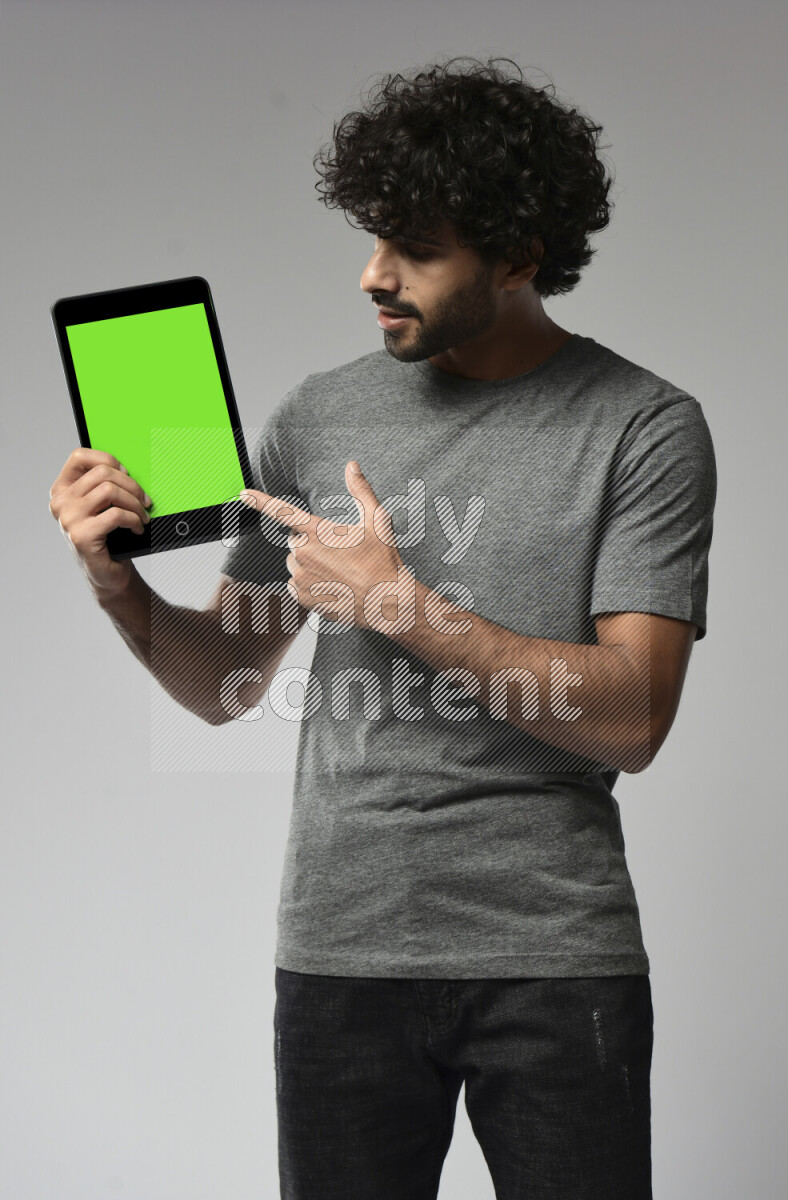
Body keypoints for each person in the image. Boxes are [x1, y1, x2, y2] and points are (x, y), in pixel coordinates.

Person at [49, 56, 716, 1200]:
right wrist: (118, 586)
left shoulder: (641, 428)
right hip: (339, 955)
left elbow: (633, 714)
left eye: (415, 247)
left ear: (516, 256)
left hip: (553, 964)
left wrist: (399, 609)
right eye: (372, 239)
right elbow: (226, 681)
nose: (372, 275)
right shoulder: (318, 415)